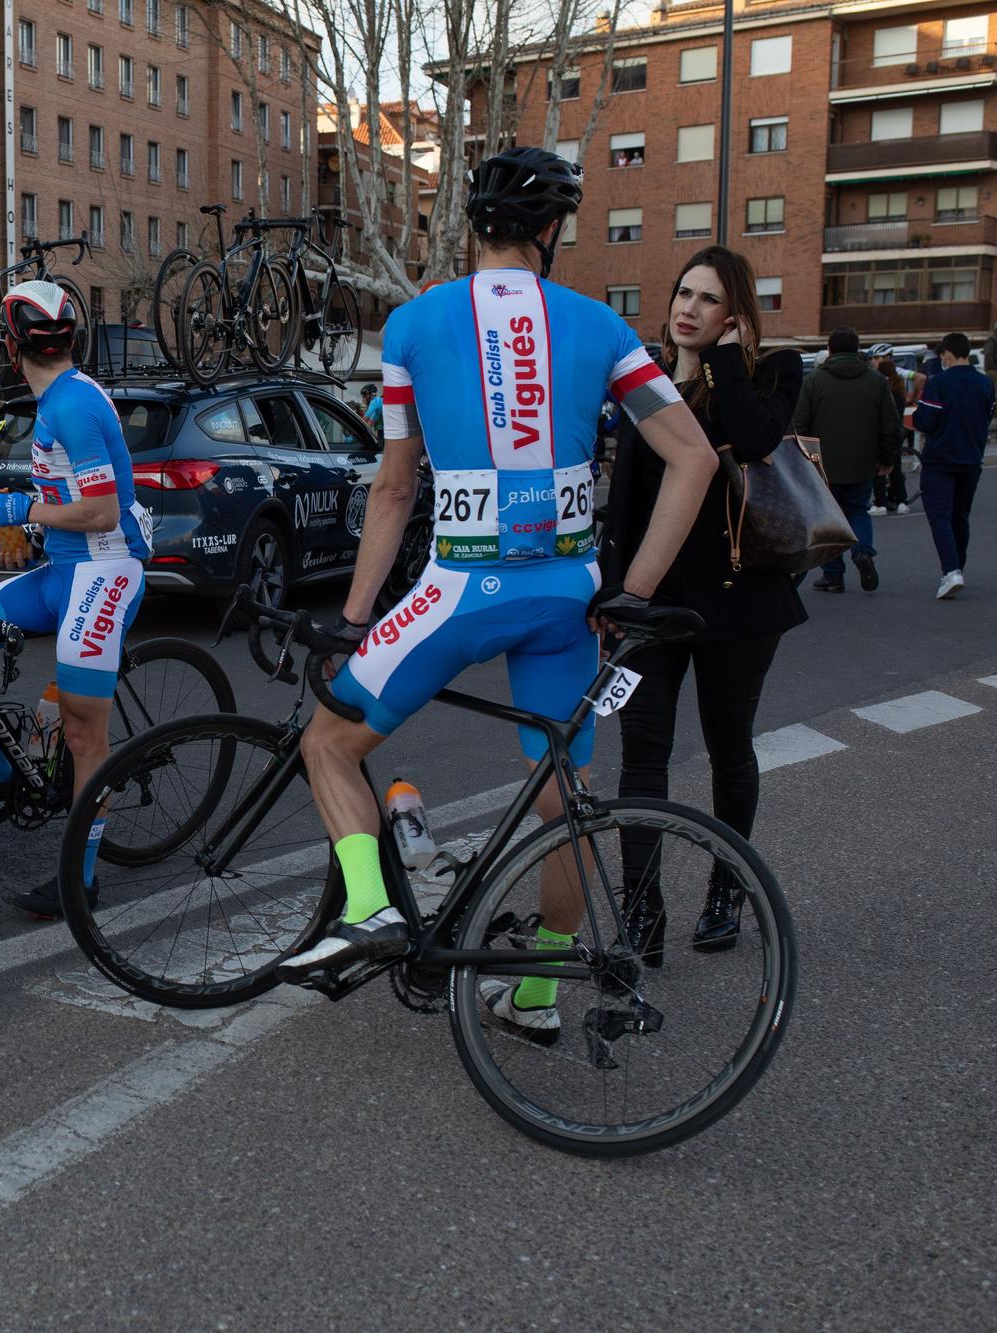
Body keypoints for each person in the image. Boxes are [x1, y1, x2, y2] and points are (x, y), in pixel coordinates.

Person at [278, 147, 719, 1047]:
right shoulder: (599, 326)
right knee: (565, 799)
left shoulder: (412, 324)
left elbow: (395, 489)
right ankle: (538, 989)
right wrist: (630, 592)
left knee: (327, 741)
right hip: (568, 594)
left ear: (469, 227)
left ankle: (369, 908)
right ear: (553, 231)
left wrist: (355, 617)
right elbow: (695, 458)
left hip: (460, 589)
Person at [603, 245, 805, 955]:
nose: (687, 308)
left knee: (728, 749)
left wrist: (718, 362)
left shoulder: (773, 371)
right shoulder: (643, 381)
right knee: (641, 754)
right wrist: (612, 593)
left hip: (739, 603)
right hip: (651, 601)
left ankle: (727, 886)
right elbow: (624, 503)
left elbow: (754, 438)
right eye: (682, 293)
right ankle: (644, 910)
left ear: (735, 315)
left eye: (707, 299)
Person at [0, 280, 154, 920]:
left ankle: (81, 879)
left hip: (104, 572)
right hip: (61, 569)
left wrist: (24, 507)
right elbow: (69, 504)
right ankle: (0, 772)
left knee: (85, 732)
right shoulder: (54, 401)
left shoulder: (73, 407)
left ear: (10, 346)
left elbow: (105, 508)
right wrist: (33, 531)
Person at [793, 326, 899, 593]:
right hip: (863, 461)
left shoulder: (814, 381)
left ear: (829, 350)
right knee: (858, 509)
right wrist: (887, 458)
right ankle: (863, 552)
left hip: (822, 463)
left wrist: (801, 459)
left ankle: (833, 575)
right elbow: (890, 425)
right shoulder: (876, 381)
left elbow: (800, 423)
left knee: (829, 518)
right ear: (857, 349)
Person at [911, 331, 993, 599]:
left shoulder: (939, 383)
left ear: (947, 353)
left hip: (940, 459)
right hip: (971, 459)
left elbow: (926, 420)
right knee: (960, 517)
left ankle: (951, 571)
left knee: (939, 516)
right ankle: (957, 568)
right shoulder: (985, 384)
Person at [869, 346, 912, 516]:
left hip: (882, 431)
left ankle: (880, 503)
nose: (873, 361)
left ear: (886, 358)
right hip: (897, 430)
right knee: (895, 467)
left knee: (880, 467)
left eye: (876, 358)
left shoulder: (879, 383)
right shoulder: (899, 383)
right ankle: (902, 501)